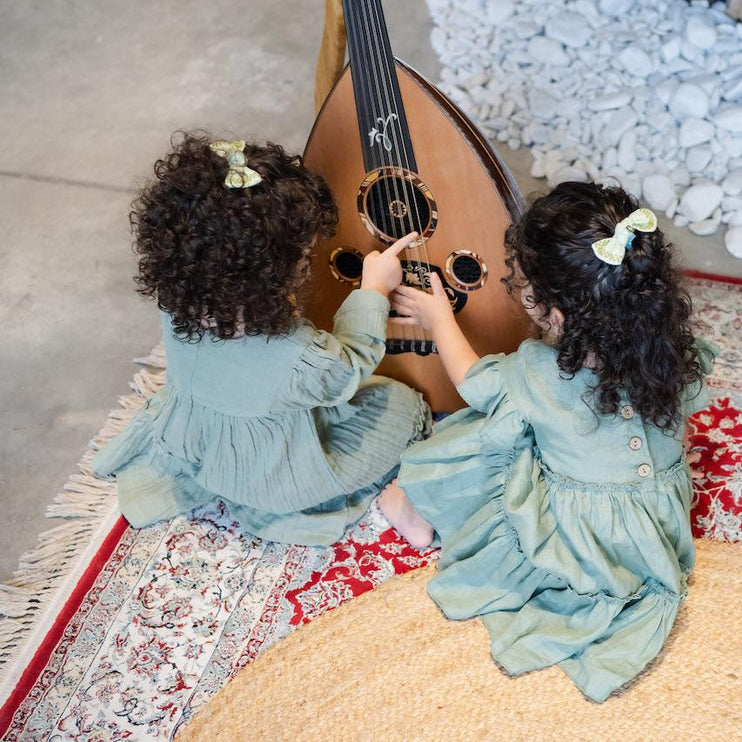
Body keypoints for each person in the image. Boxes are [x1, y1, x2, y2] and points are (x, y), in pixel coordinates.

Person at [378, 181, 716, 702]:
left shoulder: (535, 372)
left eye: (526, 287)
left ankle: (412, 508)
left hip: (584, 534)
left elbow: (473, 383)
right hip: (656, 518)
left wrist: (439, 317)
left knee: (477, 433)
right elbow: (683, 412)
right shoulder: (674, 350)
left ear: (555, 313)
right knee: (531, 426)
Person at [93, 132, 430, 546]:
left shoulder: (177, 294)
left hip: (199, 447)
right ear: (267, 277)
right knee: (403, 405)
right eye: (305, 258)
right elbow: (348, 370)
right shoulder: (297, 354)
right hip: (273, 480)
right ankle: (393, 498)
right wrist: (374, 289)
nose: (308, 266)